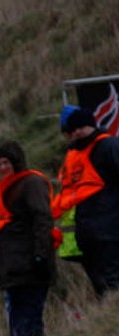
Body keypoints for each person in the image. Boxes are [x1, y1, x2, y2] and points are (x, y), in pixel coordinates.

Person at [0, 140, 56, 336]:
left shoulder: (31, 183)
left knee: (29, 321)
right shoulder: (3, 189)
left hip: (30, 265)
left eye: (6, 162)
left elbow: (42, 220)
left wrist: (41, 255)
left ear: (16, 161)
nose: (3, 168)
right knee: (17, 322)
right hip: (12, 267)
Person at [55, 106, 119, 298]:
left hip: (109, 230)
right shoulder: (73, 154)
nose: (73, 134)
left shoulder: (108, 146)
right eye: (69, 132)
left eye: (75, 129)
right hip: (86, 233)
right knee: (101, 287)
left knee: (112, 283)